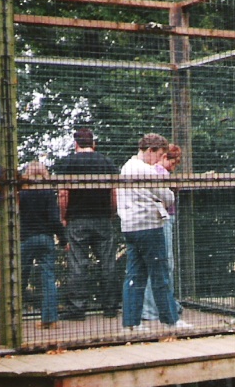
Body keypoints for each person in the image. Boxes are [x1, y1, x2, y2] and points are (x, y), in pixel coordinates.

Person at [118, 133, 191, 331]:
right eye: (159, 155)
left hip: (130, 228)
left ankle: (131, 323)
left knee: (134, 275)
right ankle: (171, 320)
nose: (159, 160)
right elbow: (167, 196)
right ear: (150, 150)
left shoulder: (126, 167)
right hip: (149, 227)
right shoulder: (146, 169)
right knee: (160, 275)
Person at [53, 128, 120, 320]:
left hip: (77, 219)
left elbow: (63, 193)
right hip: (102, 218)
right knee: (107, 262)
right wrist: (111, 213)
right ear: (93, 144)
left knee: (78, 263)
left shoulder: (68, 163)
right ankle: (110, 307)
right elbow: (114, 192)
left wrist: (63, 217)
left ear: (75, 144)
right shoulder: (106, 162)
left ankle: (77, 308)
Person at [19, 162, 65, 329]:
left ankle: (13, 317)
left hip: (26, 238)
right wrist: (63, 238)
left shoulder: (21, 193)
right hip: (45, 238)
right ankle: (50, 319)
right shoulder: (48, 192)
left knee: (20, 277)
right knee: (48, 278)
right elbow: (54, 219)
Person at [142, 143, 183, 321]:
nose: (173, 168)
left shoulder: (152, 171)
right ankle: (155, 308)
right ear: (165, 157)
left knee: (159, 263)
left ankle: (165, 305)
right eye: (172, 163)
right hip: (163, 219)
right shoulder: (160, 172)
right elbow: (164, 197)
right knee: (165, 263)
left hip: (154, 220)